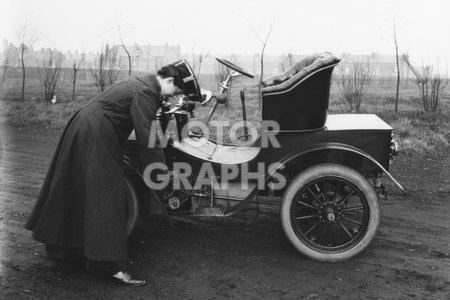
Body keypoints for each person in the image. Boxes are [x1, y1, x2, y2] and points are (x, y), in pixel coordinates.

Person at [25, 60, 202, 287]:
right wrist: (160, 173)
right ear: (168, 80)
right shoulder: (146, 93)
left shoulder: (143, 83)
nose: (174, 97)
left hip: (85, 126)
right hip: (96, 132)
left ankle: (64, 249)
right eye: (175, 90)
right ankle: (111, 266)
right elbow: (147, 139)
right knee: (107, 195)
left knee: (76, 187)